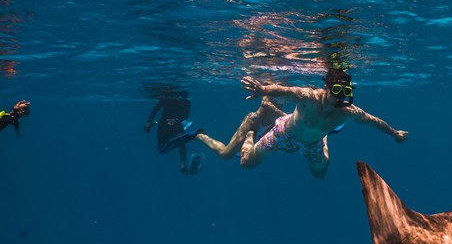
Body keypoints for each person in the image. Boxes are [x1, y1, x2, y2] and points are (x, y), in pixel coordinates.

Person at [233, 68, 408, 178]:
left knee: (319, 174)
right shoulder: (309, 98)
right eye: (337, 90)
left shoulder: (348, 112)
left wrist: (394, 133)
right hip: (284, 134)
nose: (340, 97)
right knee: (246, 163)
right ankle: (250, 135)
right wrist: (263, 90)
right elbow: (285, 91)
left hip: (312, 143)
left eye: (345, 92)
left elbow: (372, 121)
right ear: (326, 88)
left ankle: (323, 139)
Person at [144, 89, 202, 175]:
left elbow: (155, 110)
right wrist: (148, 122)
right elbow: (155, 110)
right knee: (167, 148)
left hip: (171, 125)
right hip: (170, 125)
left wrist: (148, 123)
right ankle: (182, 165)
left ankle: (182, 166)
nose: (177, 97)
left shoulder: (176, 100)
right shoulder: (174, 100)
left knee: (165, 149)